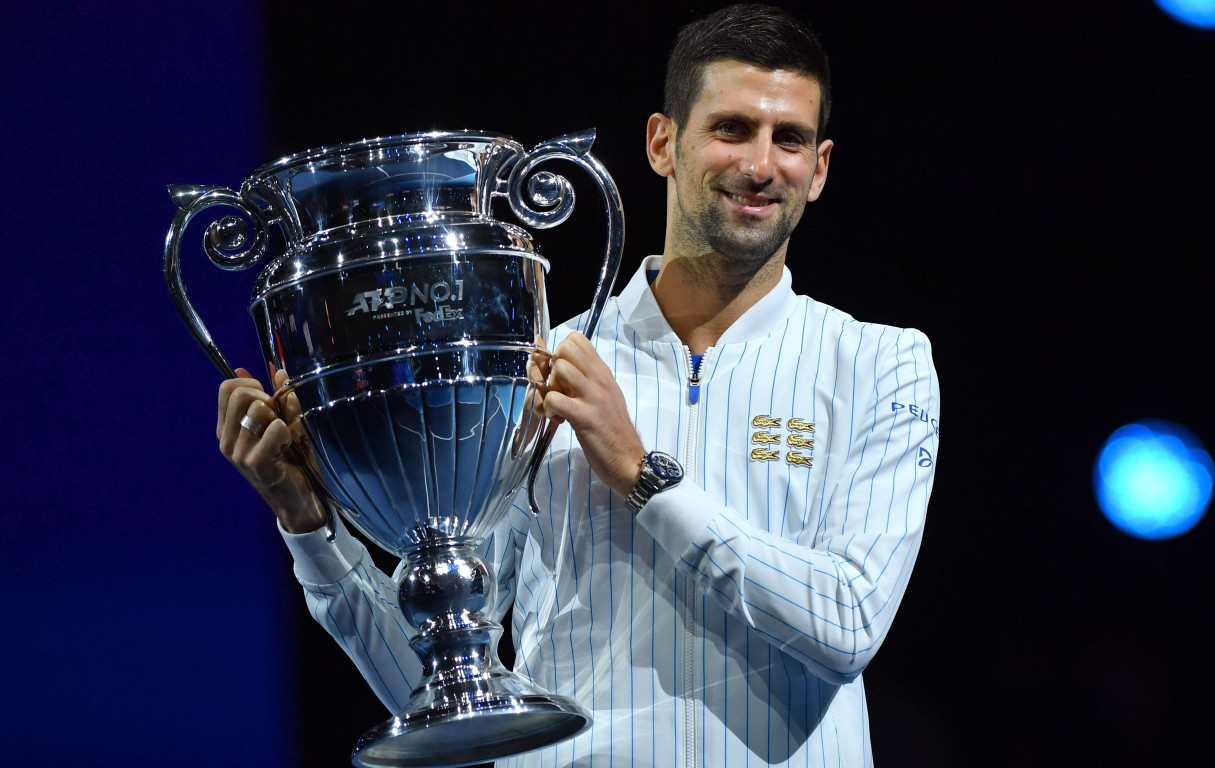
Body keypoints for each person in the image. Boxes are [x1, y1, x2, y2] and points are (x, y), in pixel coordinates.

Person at [216, 4, 940, 766]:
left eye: (787, 138)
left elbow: (847, 624)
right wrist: (310, 530)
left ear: (819, 168)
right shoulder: (537, 363)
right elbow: (446, 692)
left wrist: (644, 475)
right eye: (730, 129)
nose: (761, 165)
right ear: (663, 142)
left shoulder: (880, 363)